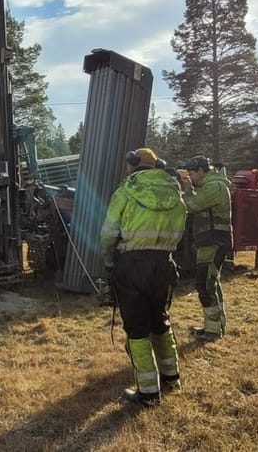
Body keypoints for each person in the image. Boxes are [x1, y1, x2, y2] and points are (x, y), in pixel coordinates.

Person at [99, 148, 187, 406]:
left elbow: (108, 232)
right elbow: (181, 230)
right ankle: (171, 377)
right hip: (164, 265)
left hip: (132, 266)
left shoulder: (127, 190)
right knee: (160, 321)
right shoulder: (175, 192)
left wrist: (108, 260)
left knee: (137, 329)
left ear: (133, 165)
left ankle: (148, 392)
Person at [181, 156, 233, 343]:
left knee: (205, 284)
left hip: (214, 241)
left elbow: (191, 205)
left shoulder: (214, 187)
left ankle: (213, 330)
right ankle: (215, 326)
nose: (191, 176)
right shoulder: (211, 185)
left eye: (193, 173)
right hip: (209, 241)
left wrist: (187, 191)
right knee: (211, 283)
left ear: (203, 170)